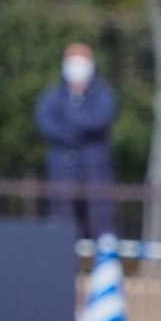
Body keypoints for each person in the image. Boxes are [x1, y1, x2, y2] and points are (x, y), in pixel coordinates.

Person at [34, 43, 117, 238]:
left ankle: (102, 263)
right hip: (61, 166)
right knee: (61, 215)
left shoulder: (103, 94)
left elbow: (100, 119)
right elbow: (46, 123)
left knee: (101, 214)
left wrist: (69, 119)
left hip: (95, 166)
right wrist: (75, 128)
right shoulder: (53, 95)